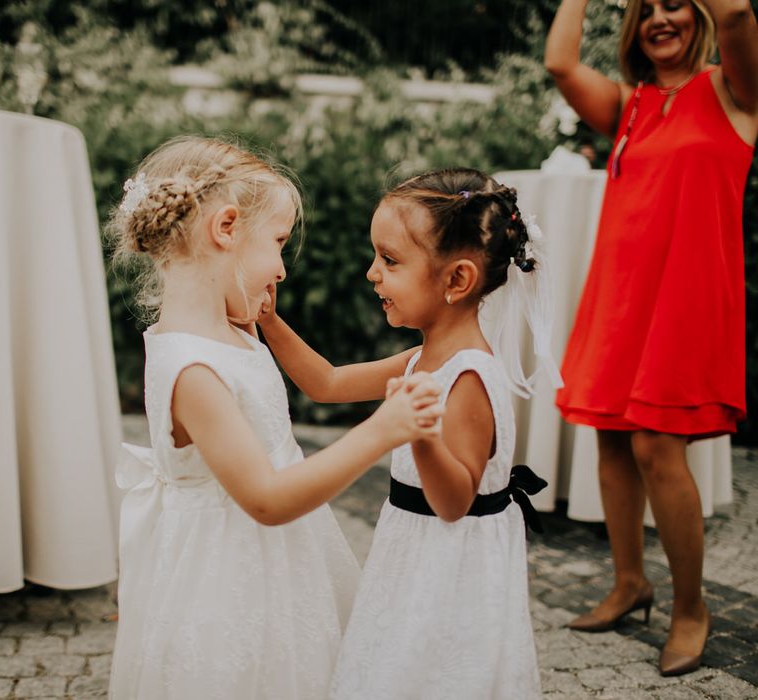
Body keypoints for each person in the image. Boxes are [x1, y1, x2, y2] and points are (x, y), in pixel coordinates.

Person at [105, 136, 444, 700]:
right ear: (226, 228)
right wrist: (384, 430)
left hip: (279, 564)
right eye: (279, 244)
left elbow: (329, 380)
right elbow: (265, 498)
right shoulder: (194, 370)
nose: (282, 270)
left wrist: (428, 355)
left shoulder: (230, 330)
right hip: (231, 582)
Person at [257, 167, 559, 699]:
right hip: (414, 553)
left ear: (457, 281)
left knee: (436, 671)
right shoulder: (425, 357)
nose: (373, 273)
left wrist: (418, 433)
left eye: (390, 260)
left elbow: (453, 501)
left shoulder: (469, 377)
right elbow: (327, 383)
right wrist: (271, 323)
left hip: (450, 569)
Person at [545, 0, 758, 676]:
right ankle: (629, 583)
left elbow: (740, 14)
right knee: (609, 433)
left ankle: (691, 607)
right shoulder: (628, 104)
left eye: (675, 6)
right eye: (647, 11)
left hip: (688, 296)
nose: (661, 20)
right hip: (623, 292)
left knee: (656, 443)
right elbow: (558, 61)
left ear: (698, 16)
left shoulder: (735, 88)